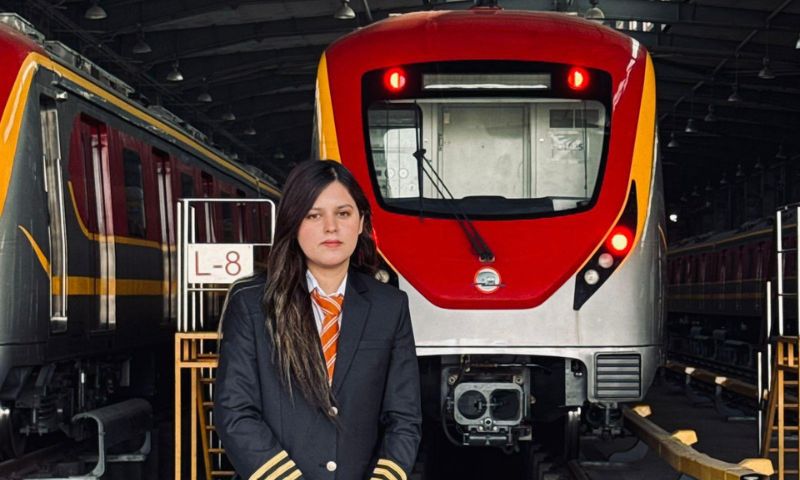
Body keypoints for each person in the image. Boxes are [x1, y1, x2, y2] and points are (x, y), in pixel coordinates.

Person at [214, 160, 422, 480]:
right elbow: (236, 413)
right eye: (314, 215)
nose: (331, 227)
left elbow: (404, 418)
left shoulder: (389, 306)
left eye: (343, 213)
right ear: (293, 222)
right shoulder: (253, 304)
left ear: (362, 222)